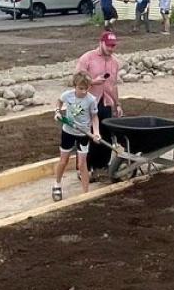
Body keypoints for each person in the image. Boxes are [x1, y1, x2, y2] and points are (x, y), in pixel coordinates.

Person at [76, 31, 123, 175]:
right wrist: (92, 81)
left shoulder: (114, 62)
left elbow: (113, 85)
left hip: (106, 102)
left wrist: (118, 104)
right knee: (88, 135)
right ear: (101, 43)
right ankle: (84, 168)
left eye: (113, 46)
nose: (111, 49)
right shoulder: (87, 58)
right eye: (108, 45)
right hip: (88, 102)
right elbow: (76, 79)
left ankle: (101, 166)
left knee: (105, 135)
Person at [52, 71, 102, 200]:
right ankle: (57, 184)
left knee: (82, 164)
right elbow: (58, 102)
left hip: (83, 134)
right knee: (63, 161)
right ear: (75, 86)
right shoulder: (67, 96)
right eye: (81, 88)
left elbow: (94, 117)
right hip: (68, 132)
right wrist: (57, 112)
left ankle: (86, 193)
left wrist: (96, 132)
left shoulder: (91, 100)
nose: (84, 91)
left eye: (86, 88)